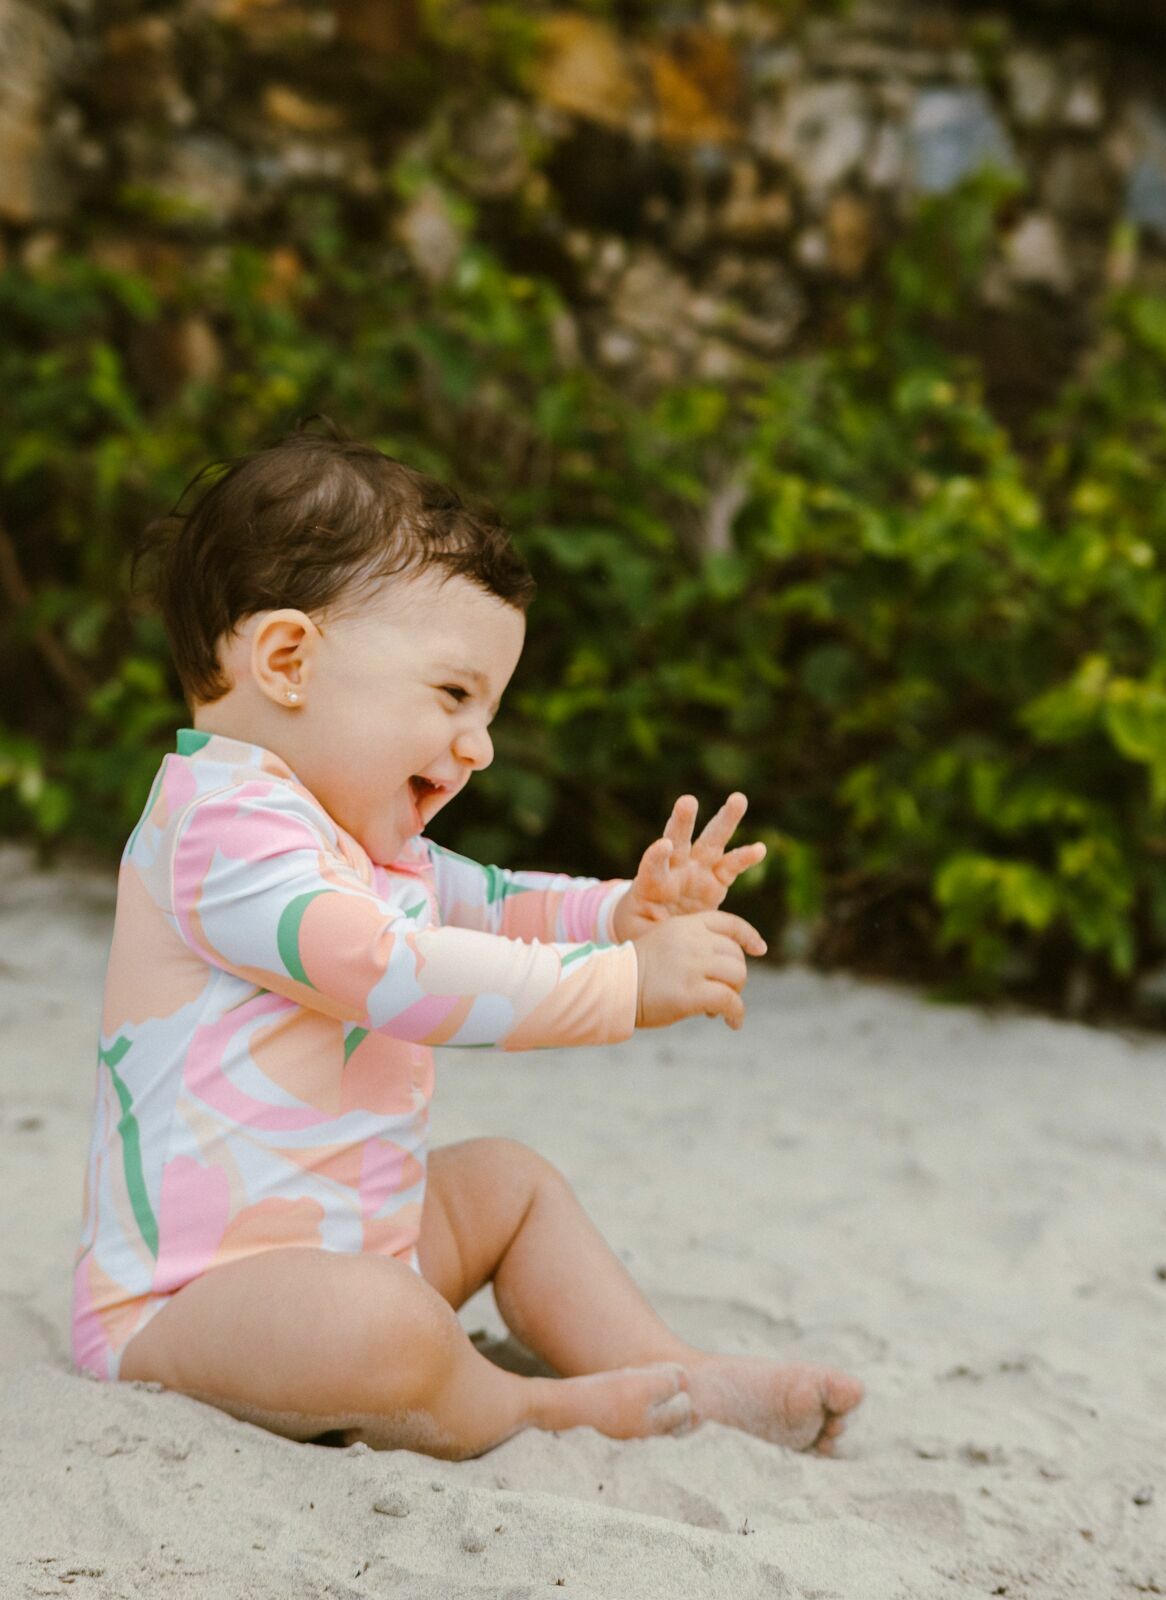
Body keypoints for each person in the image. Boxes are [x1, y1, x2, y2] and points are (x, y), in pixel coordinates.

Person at [72, 424, 863, 1461]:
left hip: (369, 1245)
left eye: (488, 709)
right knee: (386, 1326)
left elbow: (495, 902)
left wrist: (621, 912)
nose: (479, 746)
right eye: (453, 694)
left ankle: (666, 1365)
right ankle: (527, 1408)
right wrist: (620, 984)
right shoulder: (221, 834)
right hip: (194, 1304)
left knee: (507, 1184)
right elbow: (395, 973)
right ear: (288, 659)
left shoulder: (365, 843)